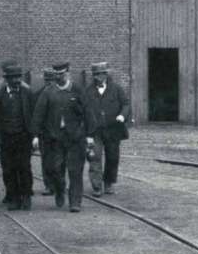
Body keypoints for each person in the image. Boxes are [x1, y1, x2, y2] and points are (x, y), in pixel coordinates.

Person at [33, 62, 87, 211]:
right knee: (55, 169)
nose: (59, 77)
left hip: (75, 138)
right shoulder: (48, 92)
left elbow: (88, 113)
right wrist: (35, 136)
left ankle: (75, 202)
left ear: (68, 73)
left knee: (75, 170)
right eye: (56, 74)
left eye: (62, 74)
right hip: (54, 138)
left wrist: (89, 135)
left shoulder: (77, 90)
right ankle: (60, 189)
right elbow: (39, 114)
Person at [0, 61, 37, 211]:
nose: (17, 80)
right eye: (13, 78)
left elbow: (34, 114)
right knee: (8, 169)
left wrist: (35, 135)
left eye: (18, 77)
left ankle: (26, 195)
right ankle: (14, 197)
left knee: (24, 167)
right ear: (7, 79)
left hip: (23, 136)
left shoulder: (27, 93)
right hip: (5, 138)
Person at [78, 62, 130, 196]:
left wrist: (122, 115)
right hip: (95, 131)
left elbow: (126, 104)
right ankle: (96, 186)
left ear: (106, 74)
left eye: (101, 74)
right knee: (95, 156)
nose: (98, 77)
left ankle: (108, 183)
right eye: (96, 74)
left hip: (113, 129)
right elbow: (82, 110)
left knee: (113, 157)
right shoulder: (87, 91)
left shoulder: (117, 89)